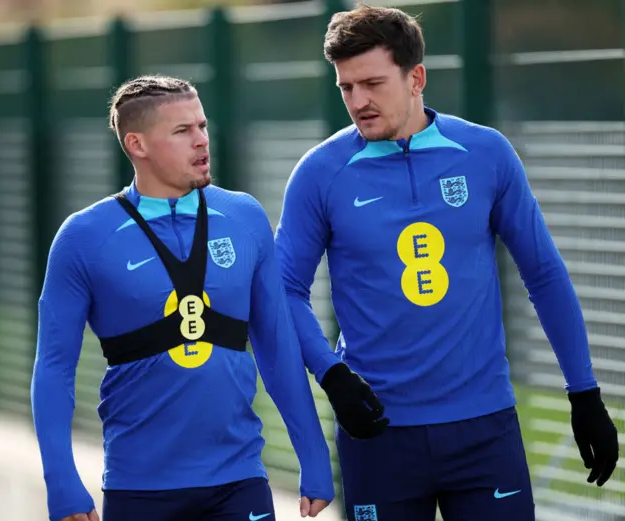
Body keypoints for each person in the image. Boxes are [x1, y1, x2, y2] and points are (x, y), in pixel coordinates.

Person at [274, 5, 619, 521]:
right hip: (378, 433)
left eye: (372, 83)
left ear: (416, 78)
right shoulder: (320, 173)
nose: (358, 102)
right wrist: (332, 375)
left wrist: (584, 392)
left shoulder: (485, 154)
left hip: (484, 430)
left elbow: (543, 274)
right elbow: (283, 290)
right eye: (347, 87)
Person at [30, 74, 334, 521]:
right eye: (182, 131)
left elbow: (277, 348)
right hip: (140, 487)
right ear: (137, 144)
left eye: (203, 126)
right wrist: (61, 480)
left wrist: (314, 455)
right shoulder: (83, 237)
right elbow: (55, 367)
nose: (201, 141)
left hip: (240, 480)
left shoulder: (244, 216)